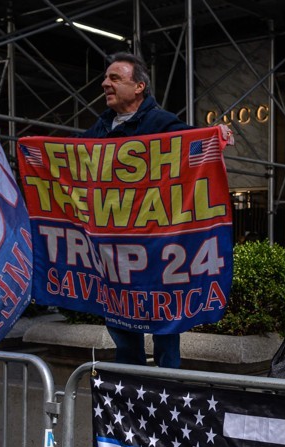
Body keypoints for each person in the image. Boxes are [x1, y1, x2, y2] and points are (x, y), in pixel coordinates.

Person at [81, 52, 191, 369]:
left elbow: (194, 144)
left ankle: (168, 387)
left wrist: (217, 135)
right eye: (106, 78)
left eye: (115, 78)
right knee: (118, 316)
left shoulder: (161, 123)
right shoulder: (98, 129)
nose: (105, 83)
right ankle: (131, 385)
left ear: (139, 86)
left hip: (154, 241)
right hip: (114, 246)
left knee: (163, 315)